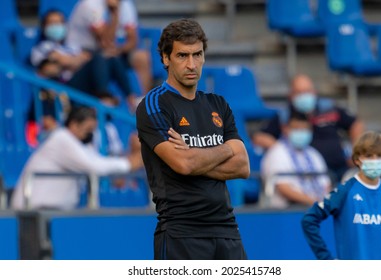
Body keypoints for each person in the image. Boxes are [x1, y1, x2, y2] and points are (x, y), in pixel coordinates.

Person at [136, 18, 250, 260]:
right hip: (181, 232)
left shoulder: (218, 104)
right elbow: (183, 164)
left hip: (227, 230)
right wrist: (225, 150)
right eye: (182, 56)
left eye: (197, 55)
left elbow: (243, 166)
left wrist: (192, 155)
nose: (191, 64)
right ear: (166, 59)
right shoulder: (154, 104)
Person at [301, 131, 381, 260]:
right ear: (358, 159)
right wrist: (325, 258)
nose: (375, 161)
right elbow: (309, 220)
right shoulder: (345, 191)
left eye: (379, 156)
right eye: (369, 156)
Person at [11, 107, 143, 210]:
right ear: (74, 125)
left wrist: (131, 158)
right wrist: (129, 163)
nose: (90, 134)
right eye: (88, 129)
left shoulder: (81, 145)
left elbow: (98, 160)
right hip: (31, 215)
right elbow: (95, 167)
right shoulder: (61, 138)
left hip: (52, 213)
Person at [252, 74, 365, 183]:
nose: (304, 96)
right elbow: (259, 137)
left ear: (314, 92)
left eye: (307, 91)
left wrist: (355, 151)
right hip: (306, 174)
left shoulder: (329, 108)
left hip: (340, 168)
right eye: (299, 93)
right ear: (291, 96)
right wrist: (283, 150)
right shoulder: (285, 116)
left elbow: (355, 124)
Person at [31, 9, 136, 106]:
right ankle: (103, 97)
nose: (56, 26)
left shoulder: (71, 46)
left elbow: (79, 59)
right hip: (64, 88)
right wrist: (73, 60)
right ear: (44, 26)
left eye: (59, 22)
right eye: (52, 23)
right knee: (98, 58)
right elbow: (57, 65)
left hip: (81, 83)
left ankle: (131, 97)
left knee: (111, 58)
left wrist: (68, 61)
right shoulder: (41, 48)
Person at [66, 0, 149, 106]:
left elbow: (133, 40)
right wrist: (114, 14)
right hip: (80, 57)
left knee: (140, 57)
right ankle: (104, 98)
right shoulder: (89, 5)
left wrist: (118, 50)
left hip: (102, 53)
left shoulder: (126, 4)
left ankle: (138, 101)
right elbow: (106, 42)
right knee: (103, 56)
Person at [260, 112, 331, 209]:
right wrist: (314, 202)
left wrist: (323, 202)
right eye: (297, 129)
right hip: (287, 211)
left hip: (316, 208)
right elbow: (283, 188)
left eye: (305, 129)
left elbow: (326, 184)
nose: (301, 132)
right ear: (285, 129)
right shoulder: (276, 153)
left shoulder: (314, 154)